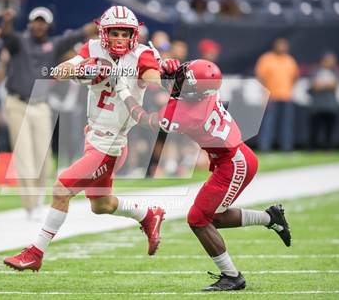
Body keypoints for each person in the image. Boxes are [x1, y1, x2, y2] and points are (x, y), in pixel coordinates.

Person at [3, 5, 179, 271]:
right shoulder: (93, 48)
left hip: (110, 143)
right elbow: (59, 70)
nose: (120, 38)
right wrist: (83, 68)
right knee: (102, 204)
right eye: (114, 32)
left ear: (133, 34)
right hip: (93, 136)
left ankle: (36, 252)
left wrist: (165, 70)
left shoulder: (142, 55)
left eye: (125, 33)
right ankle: (148, 214)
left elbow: (154, 80)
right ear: (103, 33)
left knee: (61, 189)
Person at [115, 59, 291, 291]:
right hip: (234, 158)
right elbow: (184, 89)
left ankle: (232, 276)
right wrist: (171, 73)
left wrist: (123, 91)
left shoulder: (186, 113)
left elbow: (145, 119)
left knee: (198, 219)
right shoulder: (205, 92)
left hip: (233, 164)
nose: (181, 76)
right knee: (212, 217)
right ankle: (271, 218)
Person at [0, 7, 97, 219]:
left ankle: (39, 199)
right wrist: (6, 20)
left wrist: (103, 21)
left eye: (43, 21)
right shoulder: (20, 42)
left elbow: (80, 33)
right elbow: (5, 35)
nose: (39, 25)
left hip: (41, 105)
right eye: (36, 20)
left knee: (43, 156)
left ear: (49, 25)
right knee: (24, 155)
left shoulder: (53, 45)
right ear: (30, 23)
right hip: (17, 104)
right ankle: (30, 204)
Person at [255, 38, 299, 152]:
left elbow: (295, 76)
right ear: (275, 46)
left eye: (284, 45)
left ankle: (287, 148)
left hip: (286, 96)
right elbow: (260, 77)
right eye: (280, 45)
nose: (282, 47)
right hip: (271, 96)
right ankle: (264, 147)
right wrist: (265, 92)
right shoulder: (267, 59)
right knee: (268, 124)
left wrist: (289, 88)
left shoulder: (290, 60)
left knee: (287, 124)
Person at [309, 52, 339, 150]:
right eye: (329, 60)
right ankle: (312, 148)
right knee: (315, 130)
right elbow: (315, 86)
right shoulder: (316, 71)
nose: (331, 62)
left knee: (330, 130)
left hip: (331, 106)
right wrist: (327, 85)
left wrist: (322, 85)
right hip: (317, 106)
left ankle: (329, 148)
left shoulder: (335, 71)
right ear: (323, 60)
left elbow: (335, 86)